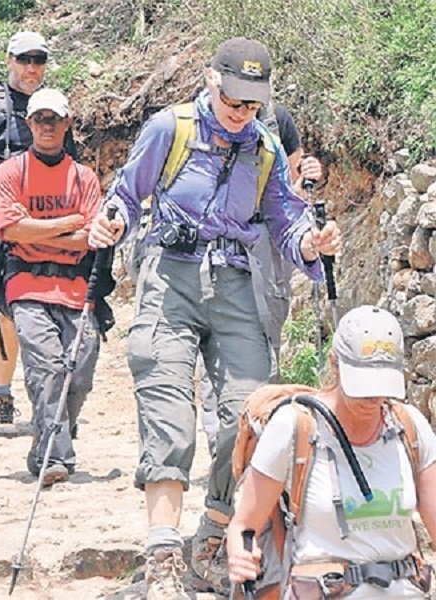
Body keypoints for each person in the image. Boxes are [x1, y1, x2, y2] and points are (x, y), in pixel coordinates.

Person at [88, 37, 342, 597]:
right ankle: (161, 557)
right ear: (211, 81)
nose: (241, 111)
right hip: (169, 277)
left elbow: (287, 223)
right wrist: (109, 222)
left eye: (252, 103)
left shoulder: (268, 149)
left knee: (249, 414)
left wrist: (312, 243)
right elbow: (126, 196)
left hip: (235, 283)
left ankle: (213, 534)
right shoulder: (169, 129)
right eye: (234, 99)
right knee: (168, 411)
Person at [228, 305, 436, 599]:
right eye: (362, 385)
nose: (372, 398)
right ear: (334, 364)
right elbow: (244, 525)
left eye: (381, 386)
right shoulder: (294, 426)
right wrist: (240, 557)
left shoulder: (410, 427)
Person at [0, 31, 77, 435]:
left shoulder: (53, 109)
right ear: (9, 60)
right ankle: (1, 397)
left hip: (42, 220)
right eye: (25, 59)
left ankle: (45, 397)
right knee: (9, 307)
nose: (32, 68)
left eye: (39, 60)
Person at [199, 102, 324, 456]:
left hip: (268, 250)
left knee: (267, 342)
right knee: (218, 346)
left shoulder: (279, 119)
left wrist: (307, 178)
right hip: (223, 249)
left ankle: (260, 437)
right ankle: (223, 443)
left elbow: (287, 194)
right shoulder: (208, 121)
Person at [0, 88, 103, 484]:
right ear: (29, 124)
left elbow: (90, 237)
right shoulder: (11, 171)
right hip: (26, 285)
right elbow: (8, 229)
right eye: (40, 119)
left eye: (54, 119)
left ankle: (46, 442)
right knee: (48, 367)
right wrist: (66, 224)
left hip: (75, 288)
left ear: (68, 123)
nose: (47, 126)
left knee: (82, 368)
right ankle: (56, 457)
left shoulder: (84, 177)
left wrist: (35, 230)